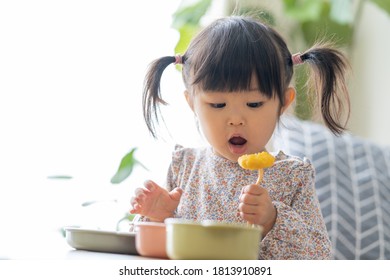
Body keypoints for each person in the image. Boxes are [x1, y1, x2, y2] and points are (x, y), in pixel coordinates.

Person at [130, 15, 350, 259]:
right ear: (192, 103)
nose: (235, 119)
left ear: (283, 103)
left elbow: (319, 257)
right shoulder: (184, 167)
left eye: (254, 103)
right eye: (218, 104)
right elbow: (145, 256)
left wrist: (272, 220)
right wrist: (157, 217)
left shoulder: (292, 176)